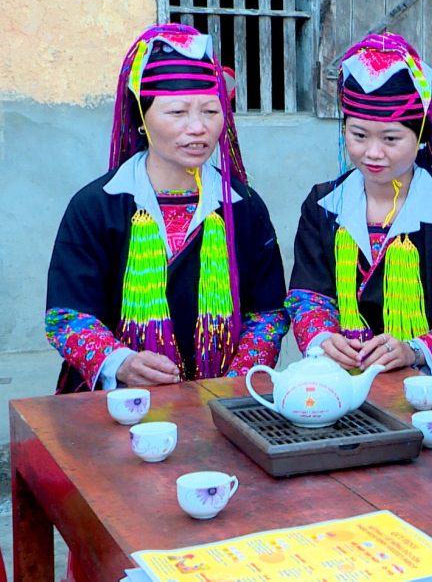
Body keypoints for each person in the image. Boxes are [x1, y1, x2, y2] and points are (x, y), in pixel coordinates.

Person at [45, 24, 289, 393]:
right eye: (177, 112)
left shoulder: (244, 207)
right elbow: (66, 316)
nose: (198, 128)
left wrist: (235, 381)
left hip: (221, 400)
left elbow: (268, 314)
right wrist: (120, 362)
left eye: (210, 110)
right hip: (117, 401)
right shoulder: (97, 205)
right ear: (141, 117)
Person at [285, 32, 432, 403]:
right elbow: (308, 295)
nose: (373, 153)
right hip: (345, 385)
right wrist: (325, 339)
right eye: (358, 135)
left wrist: (414, 351)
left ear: (420, 135)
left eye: (390, 139)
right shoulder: (322, 205)